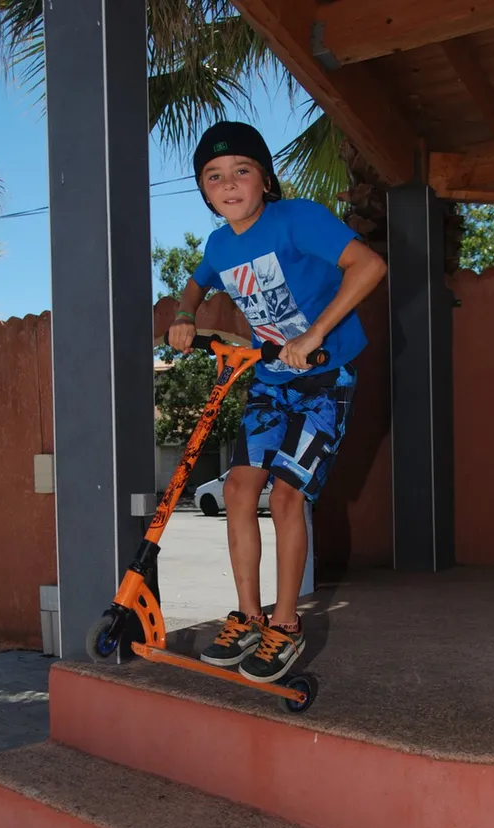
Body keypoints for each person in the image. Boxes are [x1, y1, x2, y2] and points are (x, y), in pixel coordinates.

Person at [169, 121, 386, 684]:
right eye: (214, 177)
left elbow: (369, 266)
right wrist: (185, 313)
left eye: (242, 170)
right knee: (239, 488)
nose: (229, 184)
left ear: (264, 178)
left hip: (325, 376)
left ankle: (285, 625)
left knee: (287, 497)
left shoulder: (298, 219)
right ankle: (247, 614)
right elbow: (197, 282)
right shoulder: (219, 244)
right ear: (205, 191)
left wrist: (312, 336)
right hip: (270, 380)